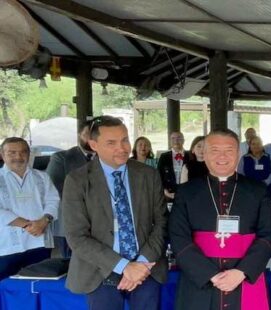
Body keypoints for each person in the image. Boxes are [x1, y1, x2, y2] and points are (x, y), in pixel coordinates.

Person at [62, 116, 167, 309]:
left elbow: (162, 223)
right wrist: (125, 266)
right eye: (111, 143)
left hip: (146, 268)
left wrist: (140, 265)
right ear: (93, 144)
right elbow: (77, 236)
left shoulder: (148, 175)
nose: (122, 148)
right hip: (99, 270)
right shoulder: (77, 181)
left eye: (125, 140)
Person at [169, 129, 271, 310]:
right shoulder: (187, 192)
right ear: (205, 153)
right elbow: (178, 237)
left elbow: (267, 235)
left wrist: (242, 272)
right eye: (215, 150)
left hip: (243, 277)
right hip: (200, 281)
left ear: (239, 154)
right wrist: (210, 275)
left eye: (229, 150)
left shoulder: (257, 190)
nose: (222, 156)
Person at [0, 138, 59, 279]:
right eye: (12, 153)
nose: (18, 157)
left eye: (23, 152)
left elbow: (54, 201)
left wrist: (44, 221)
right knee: (5, 289)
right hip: (6, 246)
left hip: (39, 244)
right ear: (2, 154)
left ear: (29, 153)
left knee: (36, 287)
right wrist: (28, 225)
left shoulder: (42, 177)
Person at [46, 118, 96, 257]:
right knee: (71, 266)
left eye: (94, 135)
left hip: (100, 226)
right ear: (79, 135)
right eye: (87, 134)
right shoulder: (61, 158)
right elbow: (55, 191)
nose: (90, 139)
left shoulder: (105, 159)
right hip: (71, 224)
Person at [156, 131, 189, 200]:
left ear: (183, 140)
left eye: (179, 138)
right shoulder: (164, 156)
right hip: (168, 193)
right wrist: (164, 191)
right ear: (170, 141)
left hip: (187, 193)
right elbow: (159, 175)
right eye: (173, 138)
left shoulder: (190, 155)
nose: (176, 141)